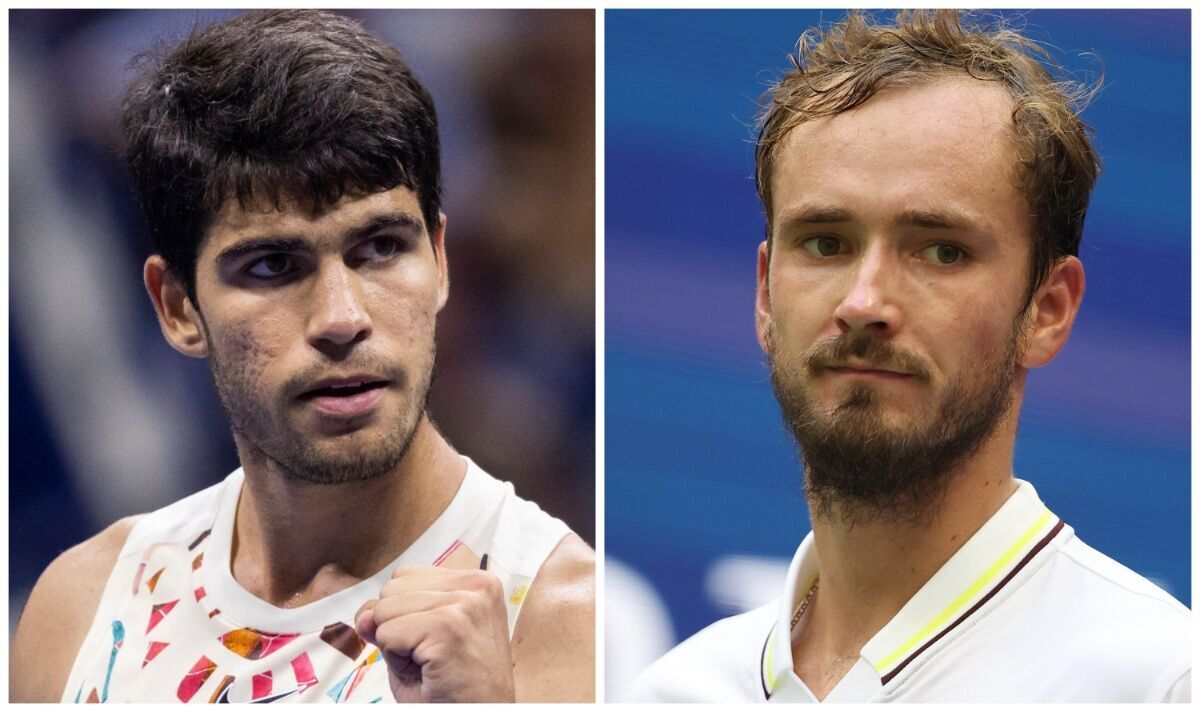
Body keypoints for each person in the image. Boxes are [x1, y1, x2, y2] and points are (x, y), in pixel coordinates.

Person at [10, 10, 594, 703]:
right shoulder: (81, 605)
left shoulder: (570, 623)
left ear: (440, 262)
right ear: (176, 306)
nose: (342, 319)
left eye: (381, 247)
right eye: (272, 266)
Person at [633, 10, 1188, 703]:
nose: (864, 302)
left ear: (1048, 310)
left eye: (941, 250)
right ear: (765, 294)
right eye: (826, 242)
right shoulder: (673, 692)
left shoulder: (1160, 681)